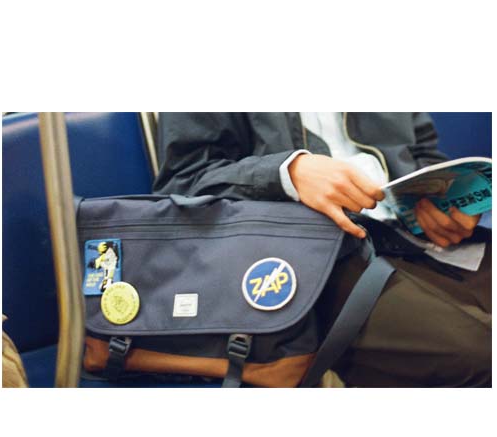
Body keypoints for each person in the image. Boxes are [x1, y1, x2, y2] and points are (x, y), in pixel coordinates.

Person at [153, 112, 491, 387]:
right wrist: (286, 173)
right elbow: (184, 182)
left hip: (411, 234)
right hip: (307, 254)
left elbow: (421, 152)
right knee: (477, 355)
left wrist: (444, 196)